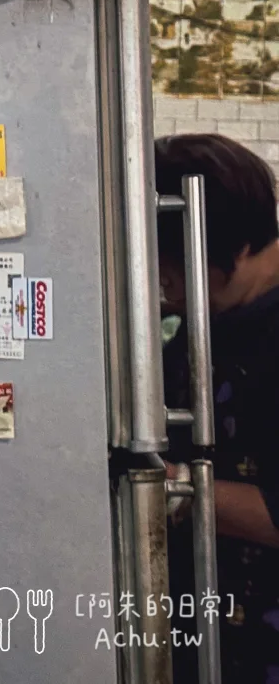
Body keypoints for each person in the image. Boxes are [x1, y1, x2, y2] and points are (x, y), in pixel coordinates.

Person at [156, 134, 279, 681]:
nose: (161, 285)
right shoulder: (213, 321)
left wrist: (170, 490)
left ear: (234, 242)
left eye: (171, 264)